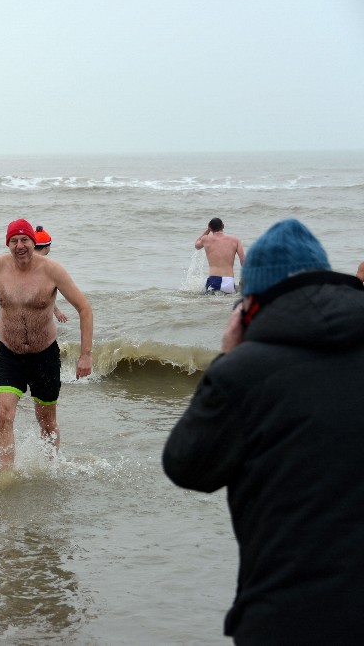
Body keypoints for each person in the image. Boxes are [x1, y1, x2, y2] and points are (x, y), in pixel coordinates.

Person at [163, 218, 364, 644]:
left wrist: (228, 359)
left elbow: (186, 466)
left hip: (286, 617)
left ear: (251, 304)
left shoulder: (245, 372)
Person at [0, 219, 93, 466]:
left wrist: (86, 355)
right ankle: (5, 473)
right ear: (7, 243)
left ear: (33, 242)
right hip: (9, 353)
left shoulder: (52, 270)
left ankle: (50, 467)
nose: (20, 246)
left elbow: (84, 308)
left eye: (25, 240)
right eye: (14, 241)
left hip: (45, 355)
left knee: (47, 421)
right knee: (3, 414)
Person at [195, 217, 245, 294]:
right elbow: (243, 261)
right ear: (223, 226)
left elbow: (197, 245)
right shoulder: (235, 240)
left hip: (214, 280)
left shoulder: (205, 239)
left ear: (210, 227)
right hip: (229, 282)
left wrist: (208, 230)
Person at [33, 226, 68, 324]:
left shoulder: (23, 262)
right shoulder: (46, 266)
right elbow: (42, 294)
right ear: (47, 247)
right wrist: (56, 311)